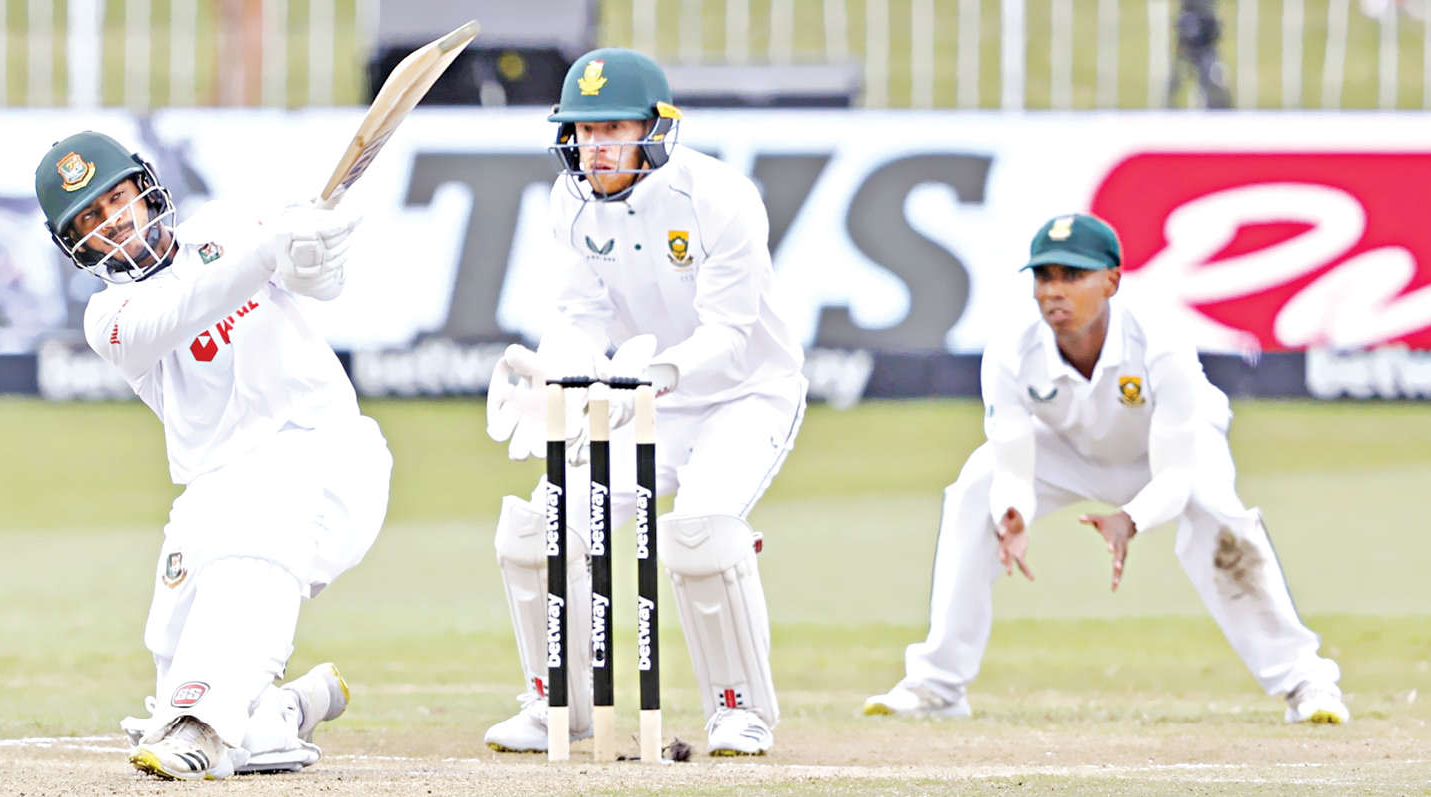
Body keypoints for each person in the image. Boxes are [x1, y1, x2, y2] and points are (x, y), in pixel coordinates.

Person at [862, 213, 1348, 725]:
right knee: (974, 490)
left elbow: (1176, 476)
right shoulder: (1011, 346)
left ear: (1112, 281)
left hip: (1170, 452)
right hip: (1069, 448)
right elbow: (1012, 461)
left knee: (1218, 516)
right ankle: (938, 686)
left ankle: (1306, 681)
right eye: (1044, 276)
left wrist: (1130, 519)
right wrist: (1012, 512)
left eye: (1073, 276)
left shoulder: (1158, 338)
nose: (1055, 291)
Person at [33, 131, 392, 779]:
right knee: (173, 652)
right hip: (216, 489)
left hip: (328, 457)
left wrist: (312, 254)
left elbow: (320, 285)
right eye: (90, 218)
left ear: (146, 189)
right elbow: (184, 307)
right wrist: (267, 249)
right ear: (75, 245)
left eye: (116, 197)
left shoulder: (228, 225)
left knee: (251, 548)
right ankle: (284, 711)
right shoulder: (109, 317)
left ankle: (204, 727)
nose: (112, 220)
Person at [482, 48, 807, 757]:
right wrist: (557, 382)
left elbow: (731, 330)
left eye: (612, 129)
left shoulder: (719, 198)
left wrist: (654, 375)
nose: (594, 147)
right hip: (639, 397)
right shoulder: (568, 200)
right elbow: (580, 314)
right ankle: (555, 705)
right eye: (583, 130)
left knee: (699, 533)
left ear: (654, 130)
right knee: (539, 529)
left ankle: (739, 712)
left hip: (744, 393)